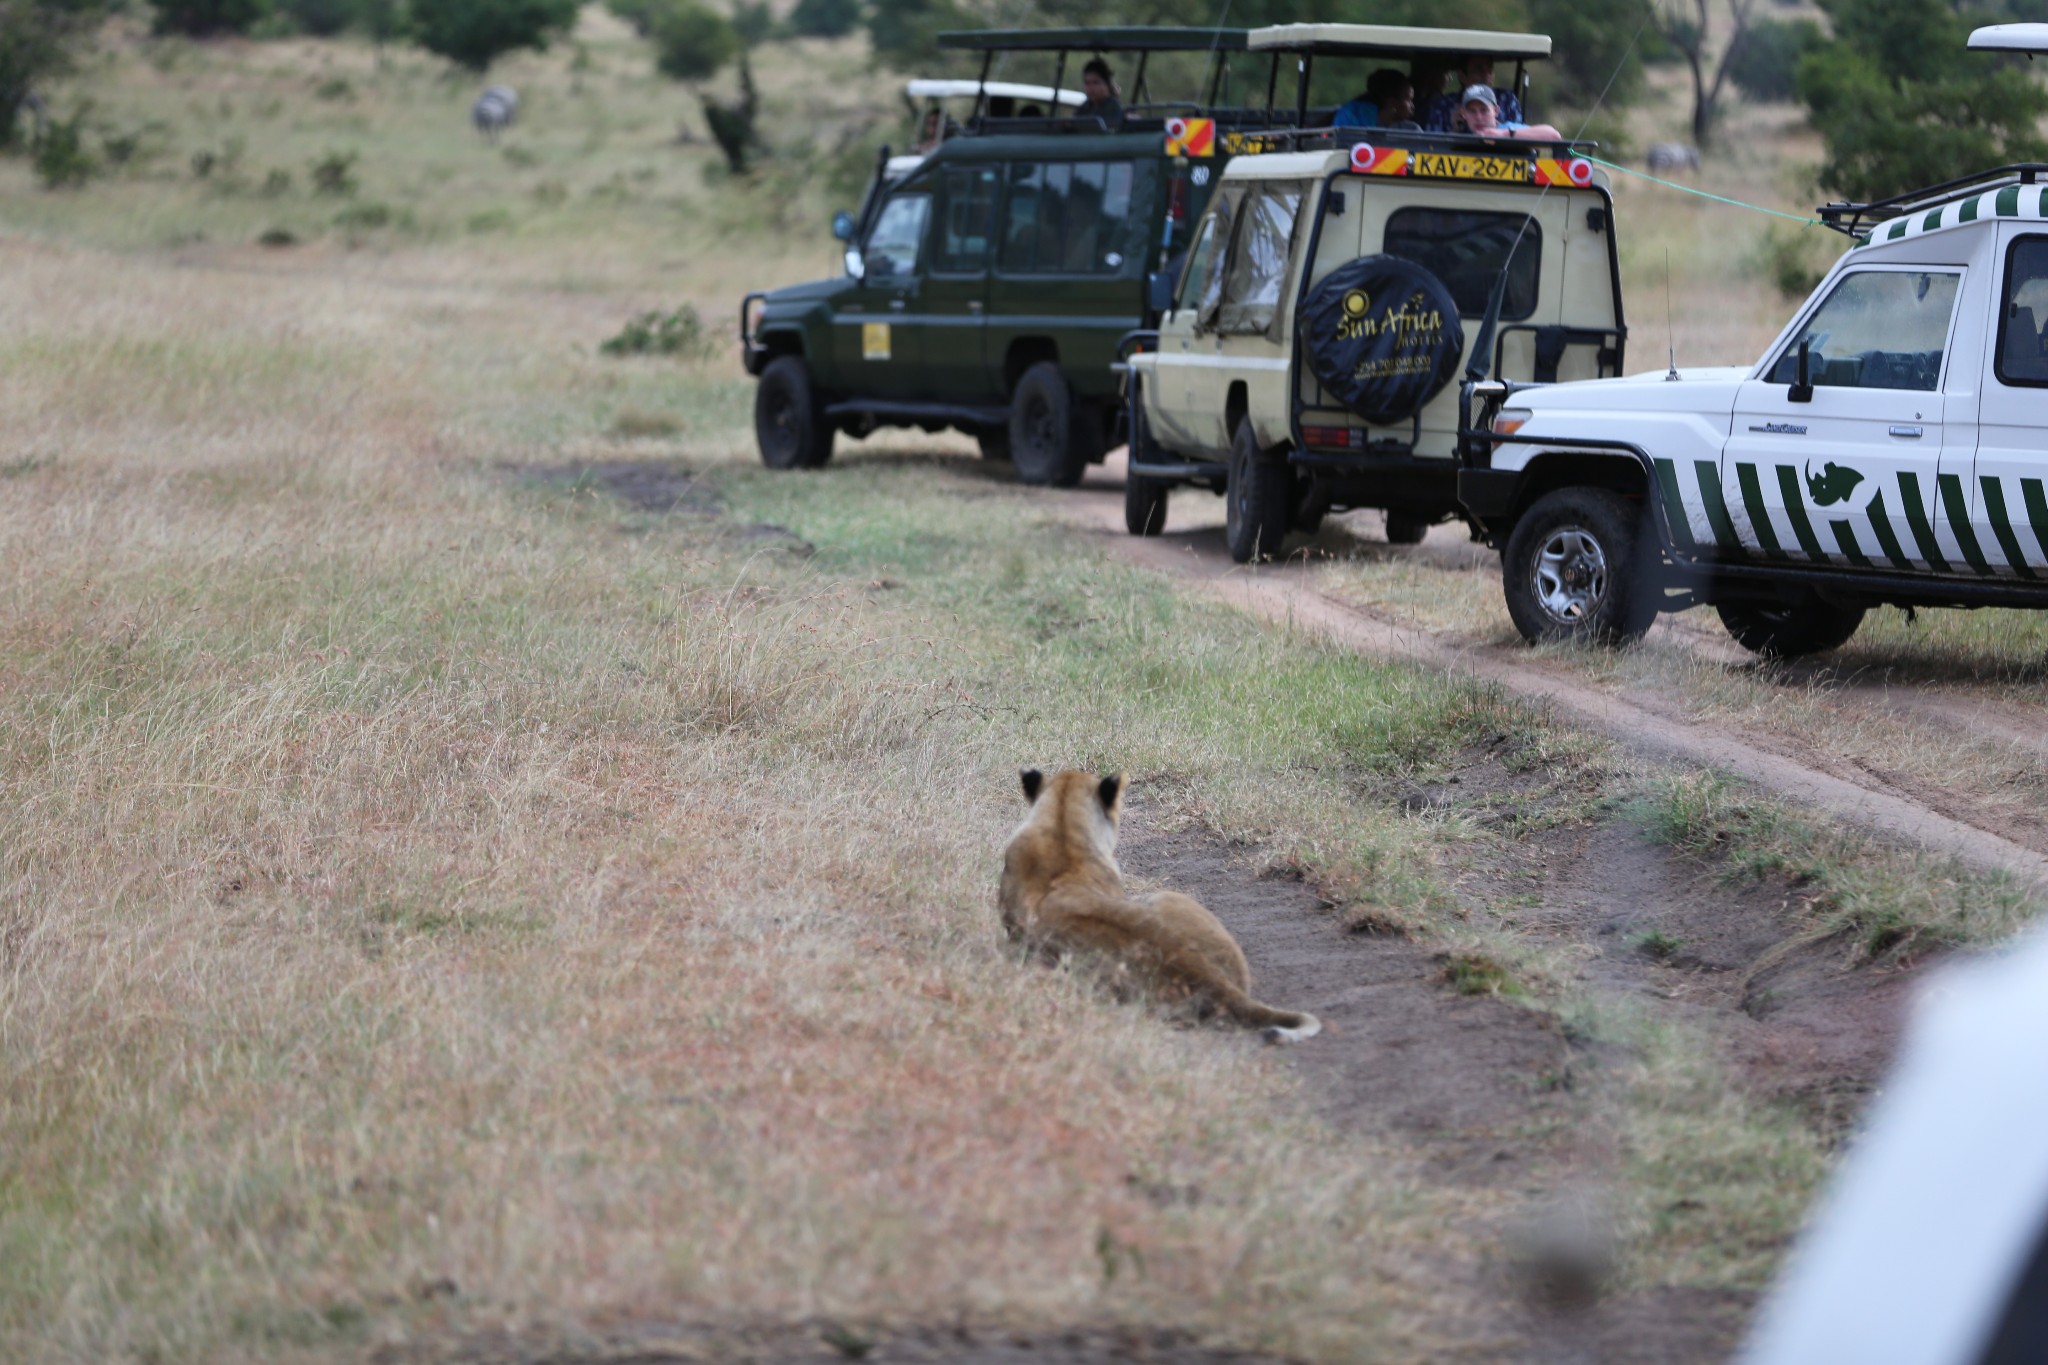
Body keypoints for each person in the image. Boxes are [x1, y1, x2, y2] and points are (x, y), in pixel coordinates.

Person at [1425, 54, 1523, 133]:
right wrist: (1454, 130)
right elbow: (1430, 145)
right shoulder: (1443, 104)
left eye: (1489, 69)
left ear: (1496, 110)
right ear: (1462, 76)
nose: (1486, 75)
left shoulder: (1507, 99)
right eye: (1478, 70)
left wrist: (1496, 127)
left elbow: (1520, 138)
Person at [1457, 85, 1560, 141]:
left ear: (1496, 111)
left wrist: (1504, 134)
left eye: (1484, 110)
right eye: (1472, 111)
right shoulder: (1456, 137)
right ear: (1463, 114)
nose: (1479, 117)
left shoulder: (1508, 129)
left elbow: (1553, 136)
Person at [1332, 67, 1414, 129]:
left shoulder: (1412, 130)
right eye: (1408, 99)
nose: (1412, 106)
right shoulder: (1352, 121)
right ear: (1391, 101)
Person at [1073, 57, 1122, 127]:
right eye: (1087, 83)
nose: (1091, 88)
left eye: (1096, 83)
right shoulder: (1085, 107)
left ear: (1107, 84)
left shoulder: (1112, 107)